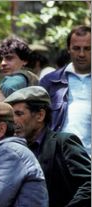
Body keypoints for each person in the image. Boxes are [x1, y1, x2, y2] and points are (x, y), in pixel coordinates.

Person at [40, 25, 91, 155]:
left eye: (87, 49)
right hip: (60, 159)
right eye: (76, 48)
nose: (81, 54)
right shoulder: (50, 82)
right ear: (68, 49)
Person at [0, 37, 39, 102]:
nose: (3, 63)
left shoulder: (11, 84)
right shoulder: (32, 78)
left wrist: (0, 100)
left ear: (24, 60)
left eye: (9, 58)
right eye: (1, 59)